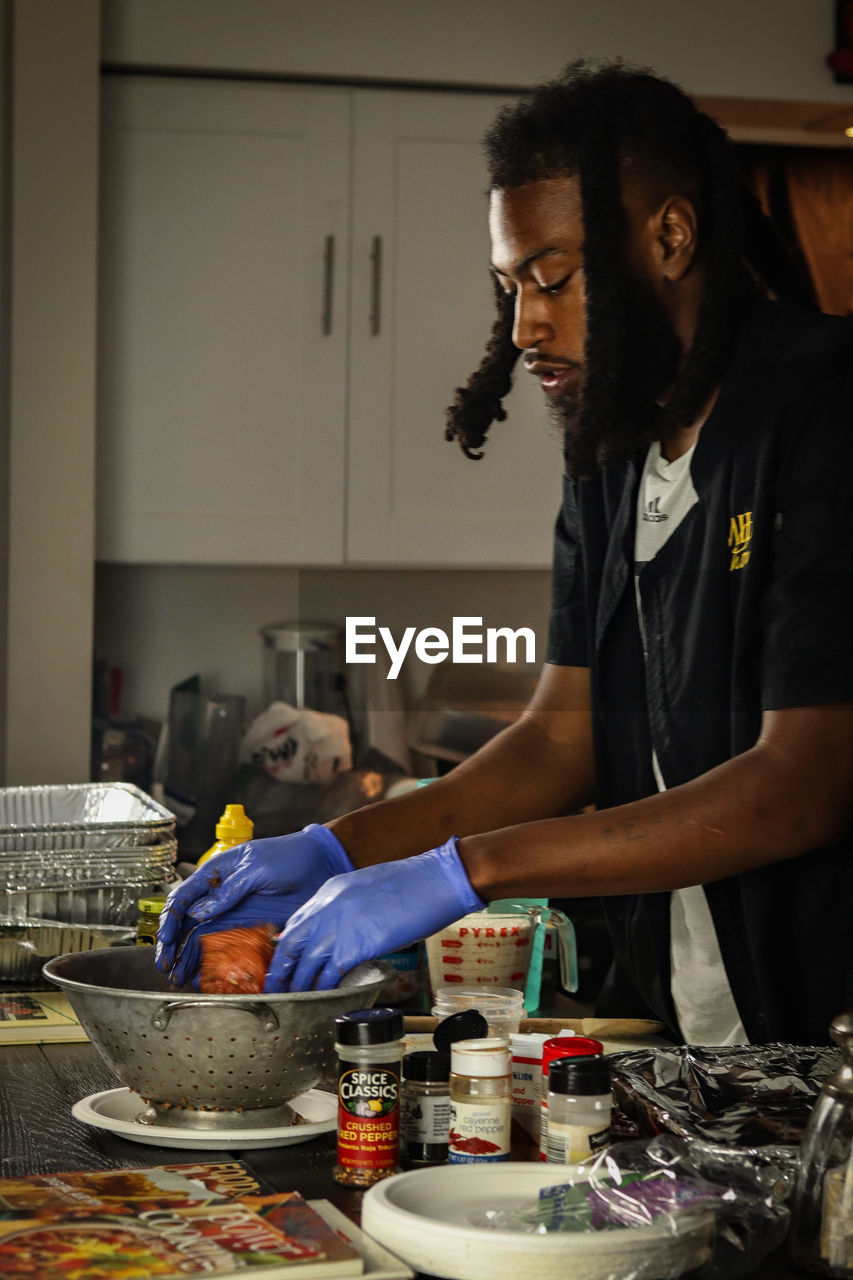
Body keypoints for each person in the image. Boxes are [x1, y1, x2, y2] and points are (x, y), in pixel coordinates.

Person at [157, 60, 853, 1046]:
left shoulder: (823, 406)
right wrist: (333, 846)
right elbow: (559, 738)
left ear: (669, 236)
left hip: (831, 1029)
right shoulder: (611, 449)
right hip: (702, 1030)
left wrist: (464, 871)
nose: (525, 324)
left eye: (553, 278)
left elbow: (801, 784)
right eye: (508, 285)